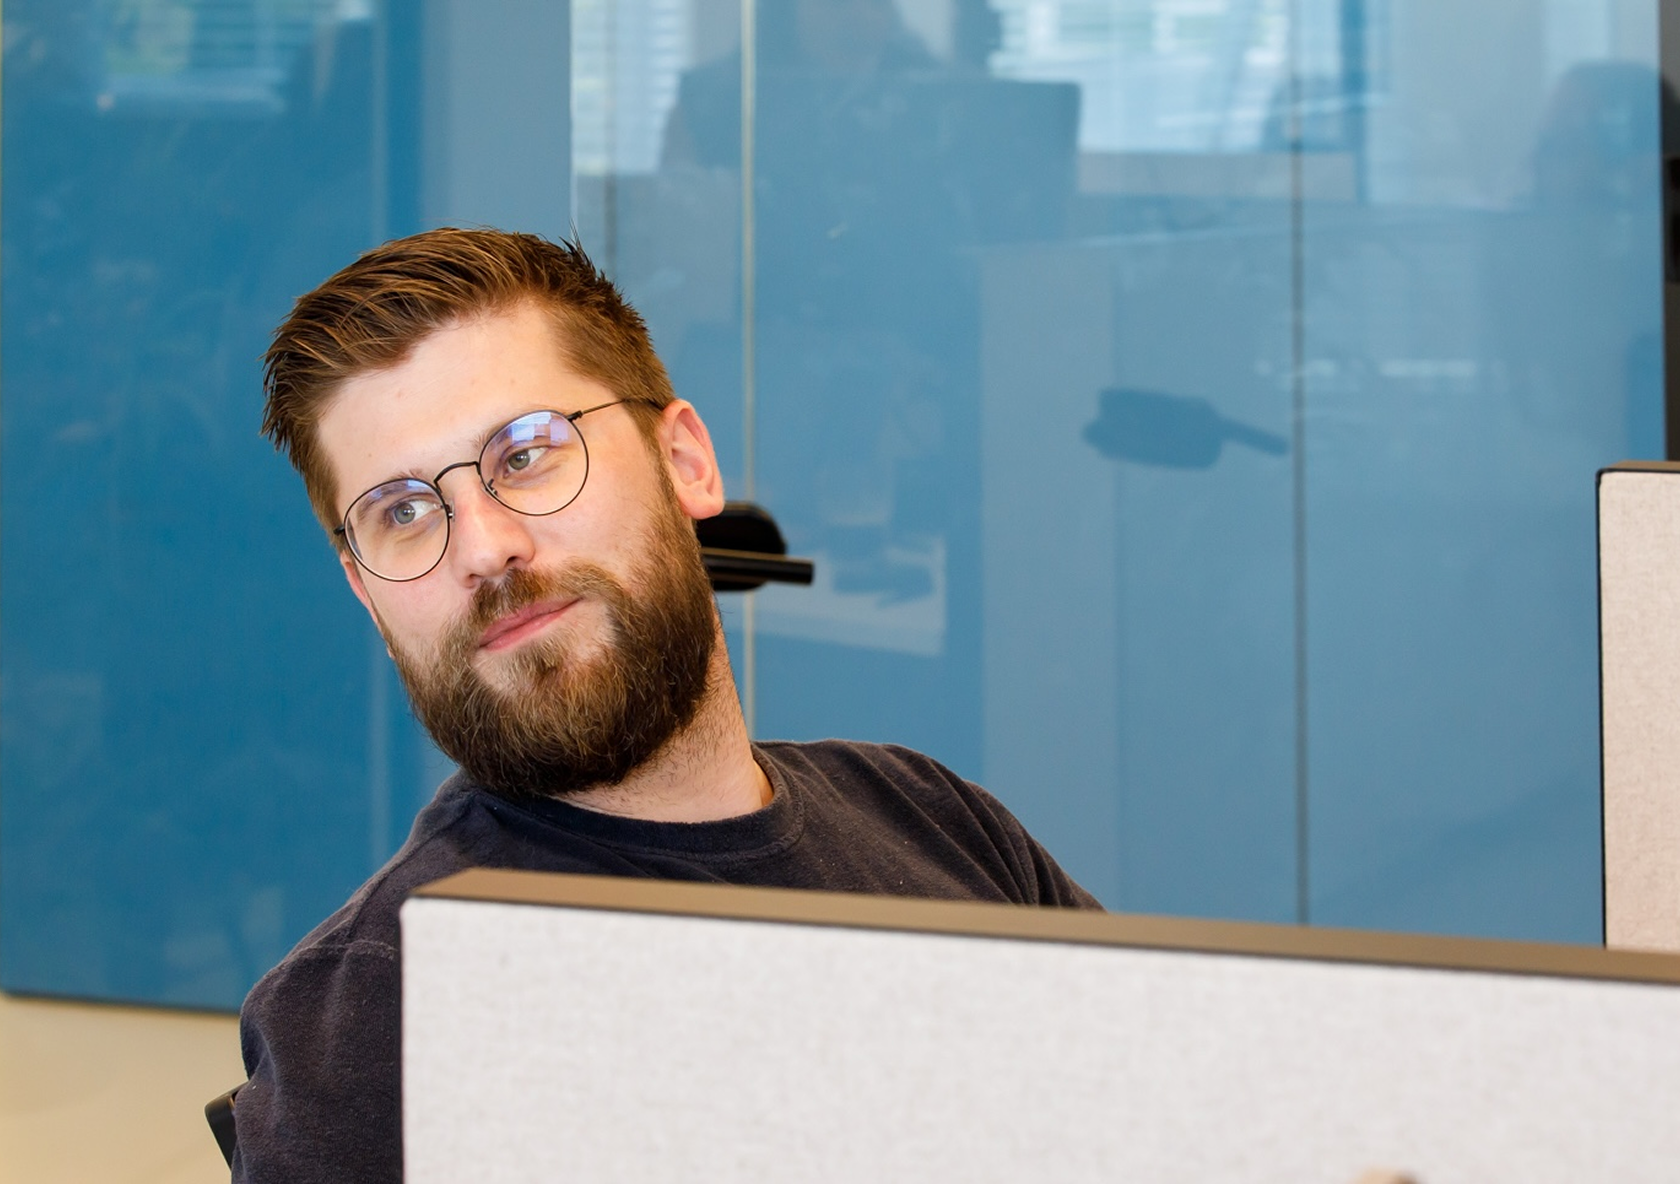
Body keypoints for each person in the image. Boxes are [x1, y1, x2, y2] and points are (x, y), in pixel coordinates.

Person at [234, 227, 1099, 1182]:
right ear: (366, 591)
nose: (481, 547)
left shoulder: (933, 817)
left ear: (685, 460)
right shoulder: (377, 1025)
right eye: (401, 511)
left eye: (525, 454)